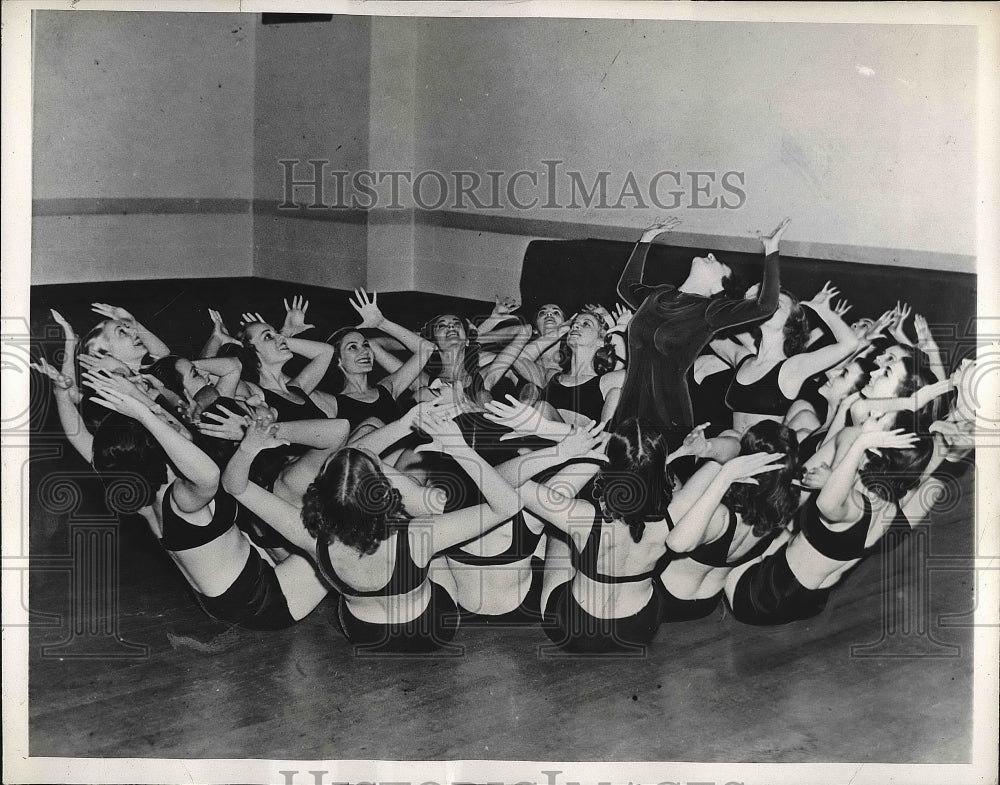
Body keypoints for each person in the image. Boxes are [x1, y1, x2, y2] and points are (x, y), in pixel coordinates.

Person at [221, 402, 524, 653]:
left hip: (363, 635)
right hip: (429, 632)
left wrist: (248, 449)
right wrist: (460, 448)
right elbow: (508, 506)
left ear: (320, 491)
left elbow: (235, 487)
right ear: (383, 493)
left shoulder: (306, 533)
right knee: (444, 552)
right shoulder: (420, 535)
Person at [514, 417, 783, 653]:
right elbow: (732, 449)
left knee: (557, 534)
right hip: (640, 630)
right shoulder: (676, 509)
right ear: (660, 468)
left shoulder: (583, 517)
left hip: (576, 632)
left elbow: (506, 482)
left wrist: (568, 450)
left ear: (609, 466)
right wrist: (690, 453)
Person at [726, 417, 927, 625]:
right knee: (779, 532)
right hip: (807, 601)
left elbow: (830, 500)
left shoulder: (851, 504)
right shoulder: (890, 506)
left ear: (877, 450)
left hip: (758, 599)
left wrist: (862, 442)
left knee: (736, 519)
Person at [614, 217, 790, 446]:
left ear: (719, 286)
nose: (710, 255)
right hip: (628, 410)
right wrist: (646, 239)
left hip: (666, 417)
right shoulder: (658, 294)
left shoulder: (709, 311)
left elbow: (765, 306)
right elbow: (625, 285)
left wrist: (771, 249)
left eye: (718, 263)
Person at [658, 423, 799, 622]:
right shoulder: (779, 513)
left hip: (666, 598)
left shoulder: (721, 516)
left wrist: (725, 475)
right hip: (706, 603)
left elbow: (676, 543)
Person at [713, 281, 858, 433]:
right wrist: (747, 300)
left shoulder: (791, 368)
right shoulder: (743, 358)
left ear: (790, 322)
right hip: (732, 453)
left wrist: (821, 309)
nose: (768, 306)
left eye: (778, 305)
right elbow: (707, 330)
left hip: (765, 454)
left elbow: (850, 343)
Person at [325, 289, 436, 434]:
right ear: (338, 360)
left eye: (365, 345)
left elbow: (426, 348)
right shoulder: (332, 403)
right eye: (353, 347)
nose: (364, 351)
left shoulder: (387, 388)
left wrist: (382, 323)